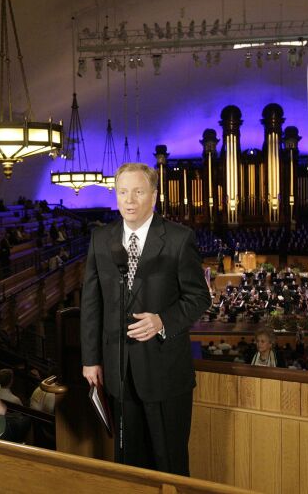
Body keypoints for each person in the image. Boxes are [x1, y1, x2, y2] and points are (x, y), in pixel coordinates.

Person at [81, 162, 211, 476]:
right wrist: (91, 360)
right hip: (118, 373)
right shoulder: (101, 238)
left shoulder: (179, 239)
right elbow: (91, 303)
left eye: (138, 191)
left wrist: (162, 321)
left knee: (169, 464)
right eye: (122, 191)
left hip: (165, 373)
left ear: (153, 195)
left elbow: (199, 298)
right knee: (128, 466)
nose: (129, 199)